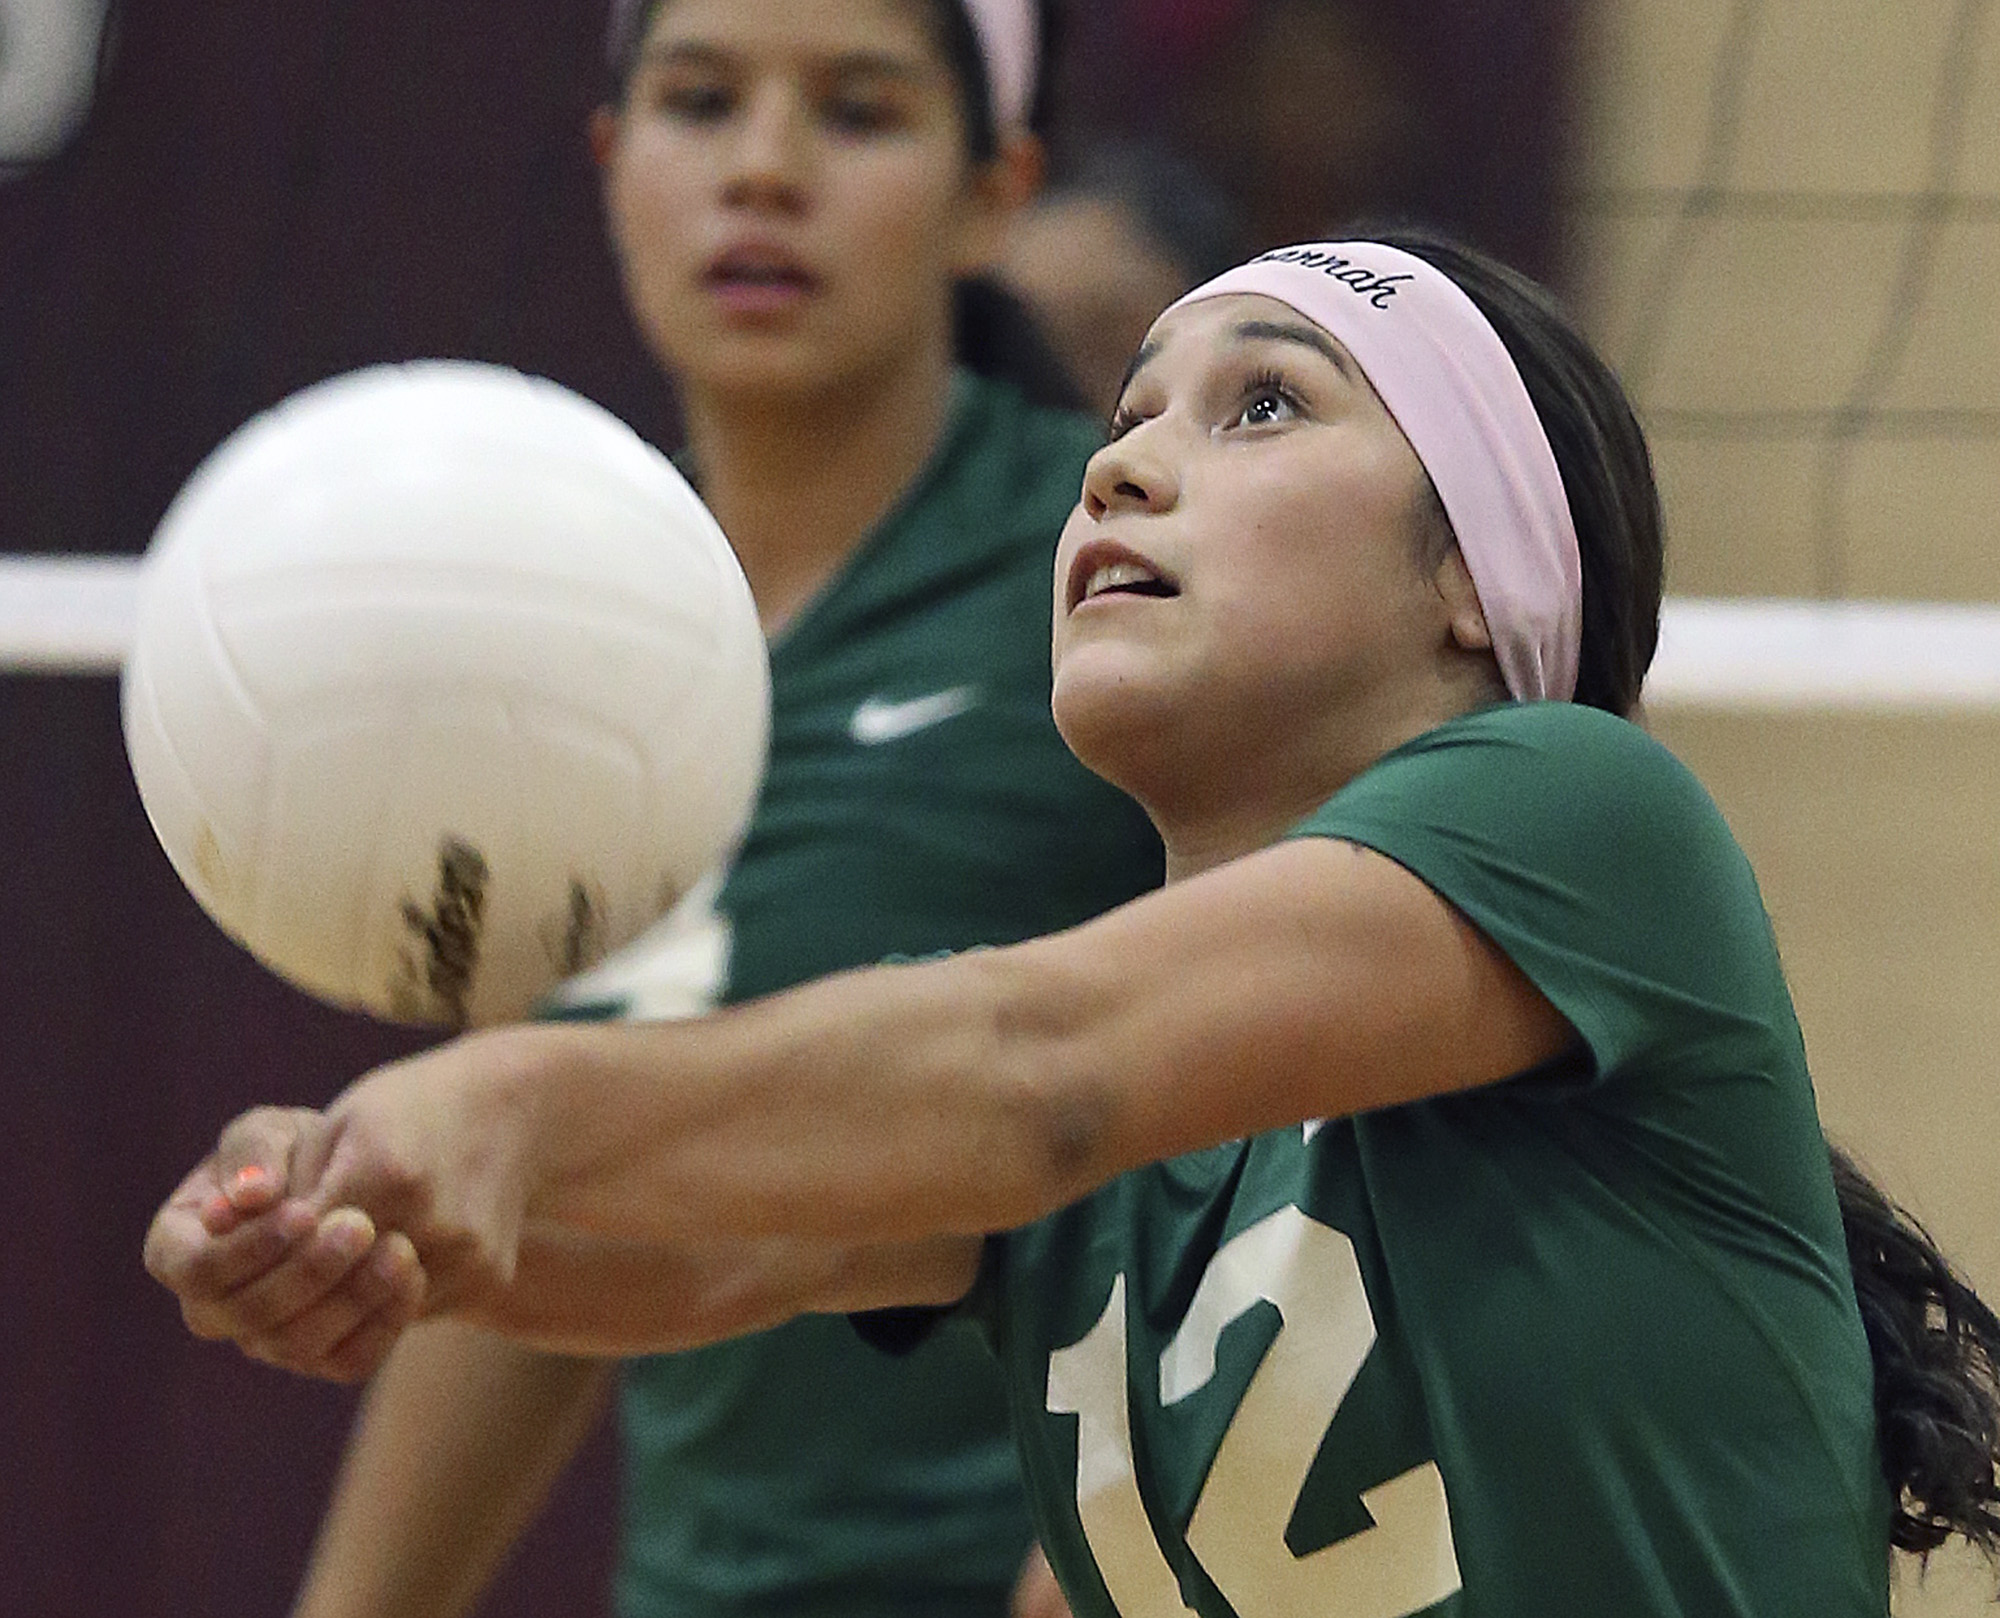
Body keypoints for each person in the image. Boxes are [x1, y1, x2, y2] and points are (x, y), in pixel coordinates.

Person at [148, 231, 2000, 1615]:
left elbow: (1039, 1070)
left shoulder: (1589, 821)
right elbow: (700, 1257)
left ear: (1471, 579)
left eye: (1262, 405)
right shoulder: (1099, 1130)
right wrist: (350, 1203)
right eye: (1126, 418)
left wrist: (507, 1103)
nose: (1116, 468)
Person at [169, 3, 1162, 1617]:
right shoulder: (556, 615)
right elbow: (542, 1227)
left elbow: (1316, 1122)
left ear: (995, 193)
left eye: (858, 113)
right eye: (700, 102)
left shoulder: (1118, 568)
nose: (763, 171)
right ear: (615, 160)